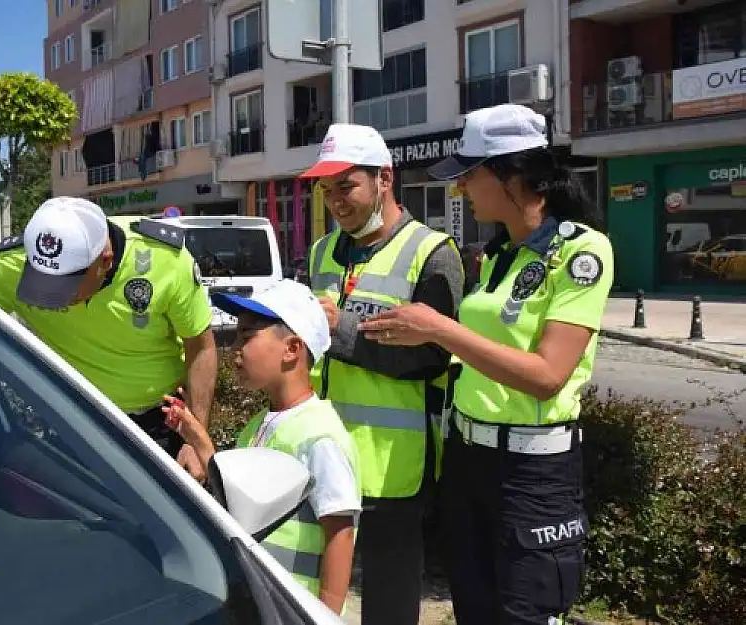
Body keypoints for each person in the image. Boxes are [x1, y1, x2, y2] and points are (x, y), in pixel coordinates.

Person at [360, 103, 614, 625]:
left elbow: (547, 377)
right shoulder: (499, 255)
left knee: (525, 613)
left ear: (511, 174)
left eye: (469, 176)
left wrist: (440, 329)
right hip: (468, 459)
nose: (460, 190)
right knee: (474, 609)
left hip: (533, 473)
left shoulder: (582, 253)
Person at [0, 197, 217, 481]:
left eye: (65, 287)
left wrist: (194, 437)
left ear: (103, 262)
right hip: (74, 423)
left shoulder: (163, 260)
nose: (54, 298)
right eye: (43, 283)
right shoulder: (12, 266)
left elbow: (200, 346)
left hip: (159, 426)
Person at [296, 123, 465, 624]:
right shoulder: (323, 251)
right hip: (324, 454)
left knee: (389, 603)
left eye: (346, 186)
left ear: (384, 179)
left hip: (394, 465)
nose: (335, 202)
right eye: (327, 191)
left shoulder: (433, 253)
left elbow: (433, 356)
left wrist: (340, 328)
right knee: (317, 593)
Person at [163, 279, 360, 615]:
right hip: (263, 602)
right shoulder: (259, 425)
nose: (235, 348)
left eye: (247, 335)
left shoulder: (318, 433)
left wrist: (323, 615)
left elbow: (340, 533)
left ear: (292, 349)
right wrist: (197, 439)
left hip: (293, 607)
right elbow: (239, 501)